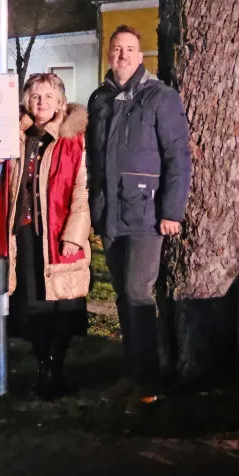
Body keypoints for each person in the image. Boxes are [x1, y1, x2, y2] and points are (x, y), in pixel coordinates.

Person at [87, 25, 191, 414]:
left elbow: (178, 156)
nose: (123, 55)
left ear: (141, 54)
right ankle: (131, 374)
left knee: (138, 293)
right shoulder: (100, 98)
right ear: (109, 54)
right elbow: (93, 156)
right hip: (111, 211)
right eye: (117, 48)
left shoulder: (160, 97)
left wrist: (172, 211)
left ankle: (148, 383)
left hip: (147, 214)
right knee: (121, 295)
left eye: (130, 49)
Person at [0, 72, 91, 399]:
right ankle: (44, 368)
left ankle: (56, 369)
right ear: (26, 100)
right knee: (33, 307)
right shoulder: (15, 134)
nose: (41, 102)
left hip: (59, 233)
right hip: (26, 235)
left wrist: (74, 235)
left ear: (60, 101)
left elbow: (83, 189)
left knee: (61, 306)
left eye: (48, 96)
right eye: (35, 96)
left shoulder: (73, 138)